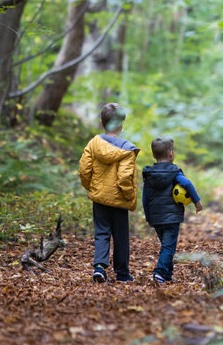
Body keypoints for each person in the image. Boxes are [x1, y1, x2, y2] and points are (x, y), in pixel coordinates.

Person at [79, 102, 140, 283]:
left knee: (102, 233)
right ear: (121, 124)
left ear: (102, 122)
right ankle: (122, 274)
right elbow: (124, 178)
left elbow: (84, 169)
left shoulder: (93, 143)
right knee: (121, 237)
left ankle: (99, 267)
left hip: (100, 199)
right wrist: (129, 196)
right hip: (119, 200)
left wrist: (90, 186)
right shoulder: (127, 149)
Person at [142, 136, 202, 283]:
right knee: (168, 247)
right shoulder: (175, 172)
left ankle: (167, 275)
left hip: (156, 217)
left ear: (153, 155)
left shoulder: (149, 174)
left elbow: (145, 198)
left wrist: (148, 217)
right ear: (171, 154)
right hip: (172, 217)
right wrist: (197, 201)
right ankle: (160, 273)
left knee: (166, 246)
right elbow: (186, 184)